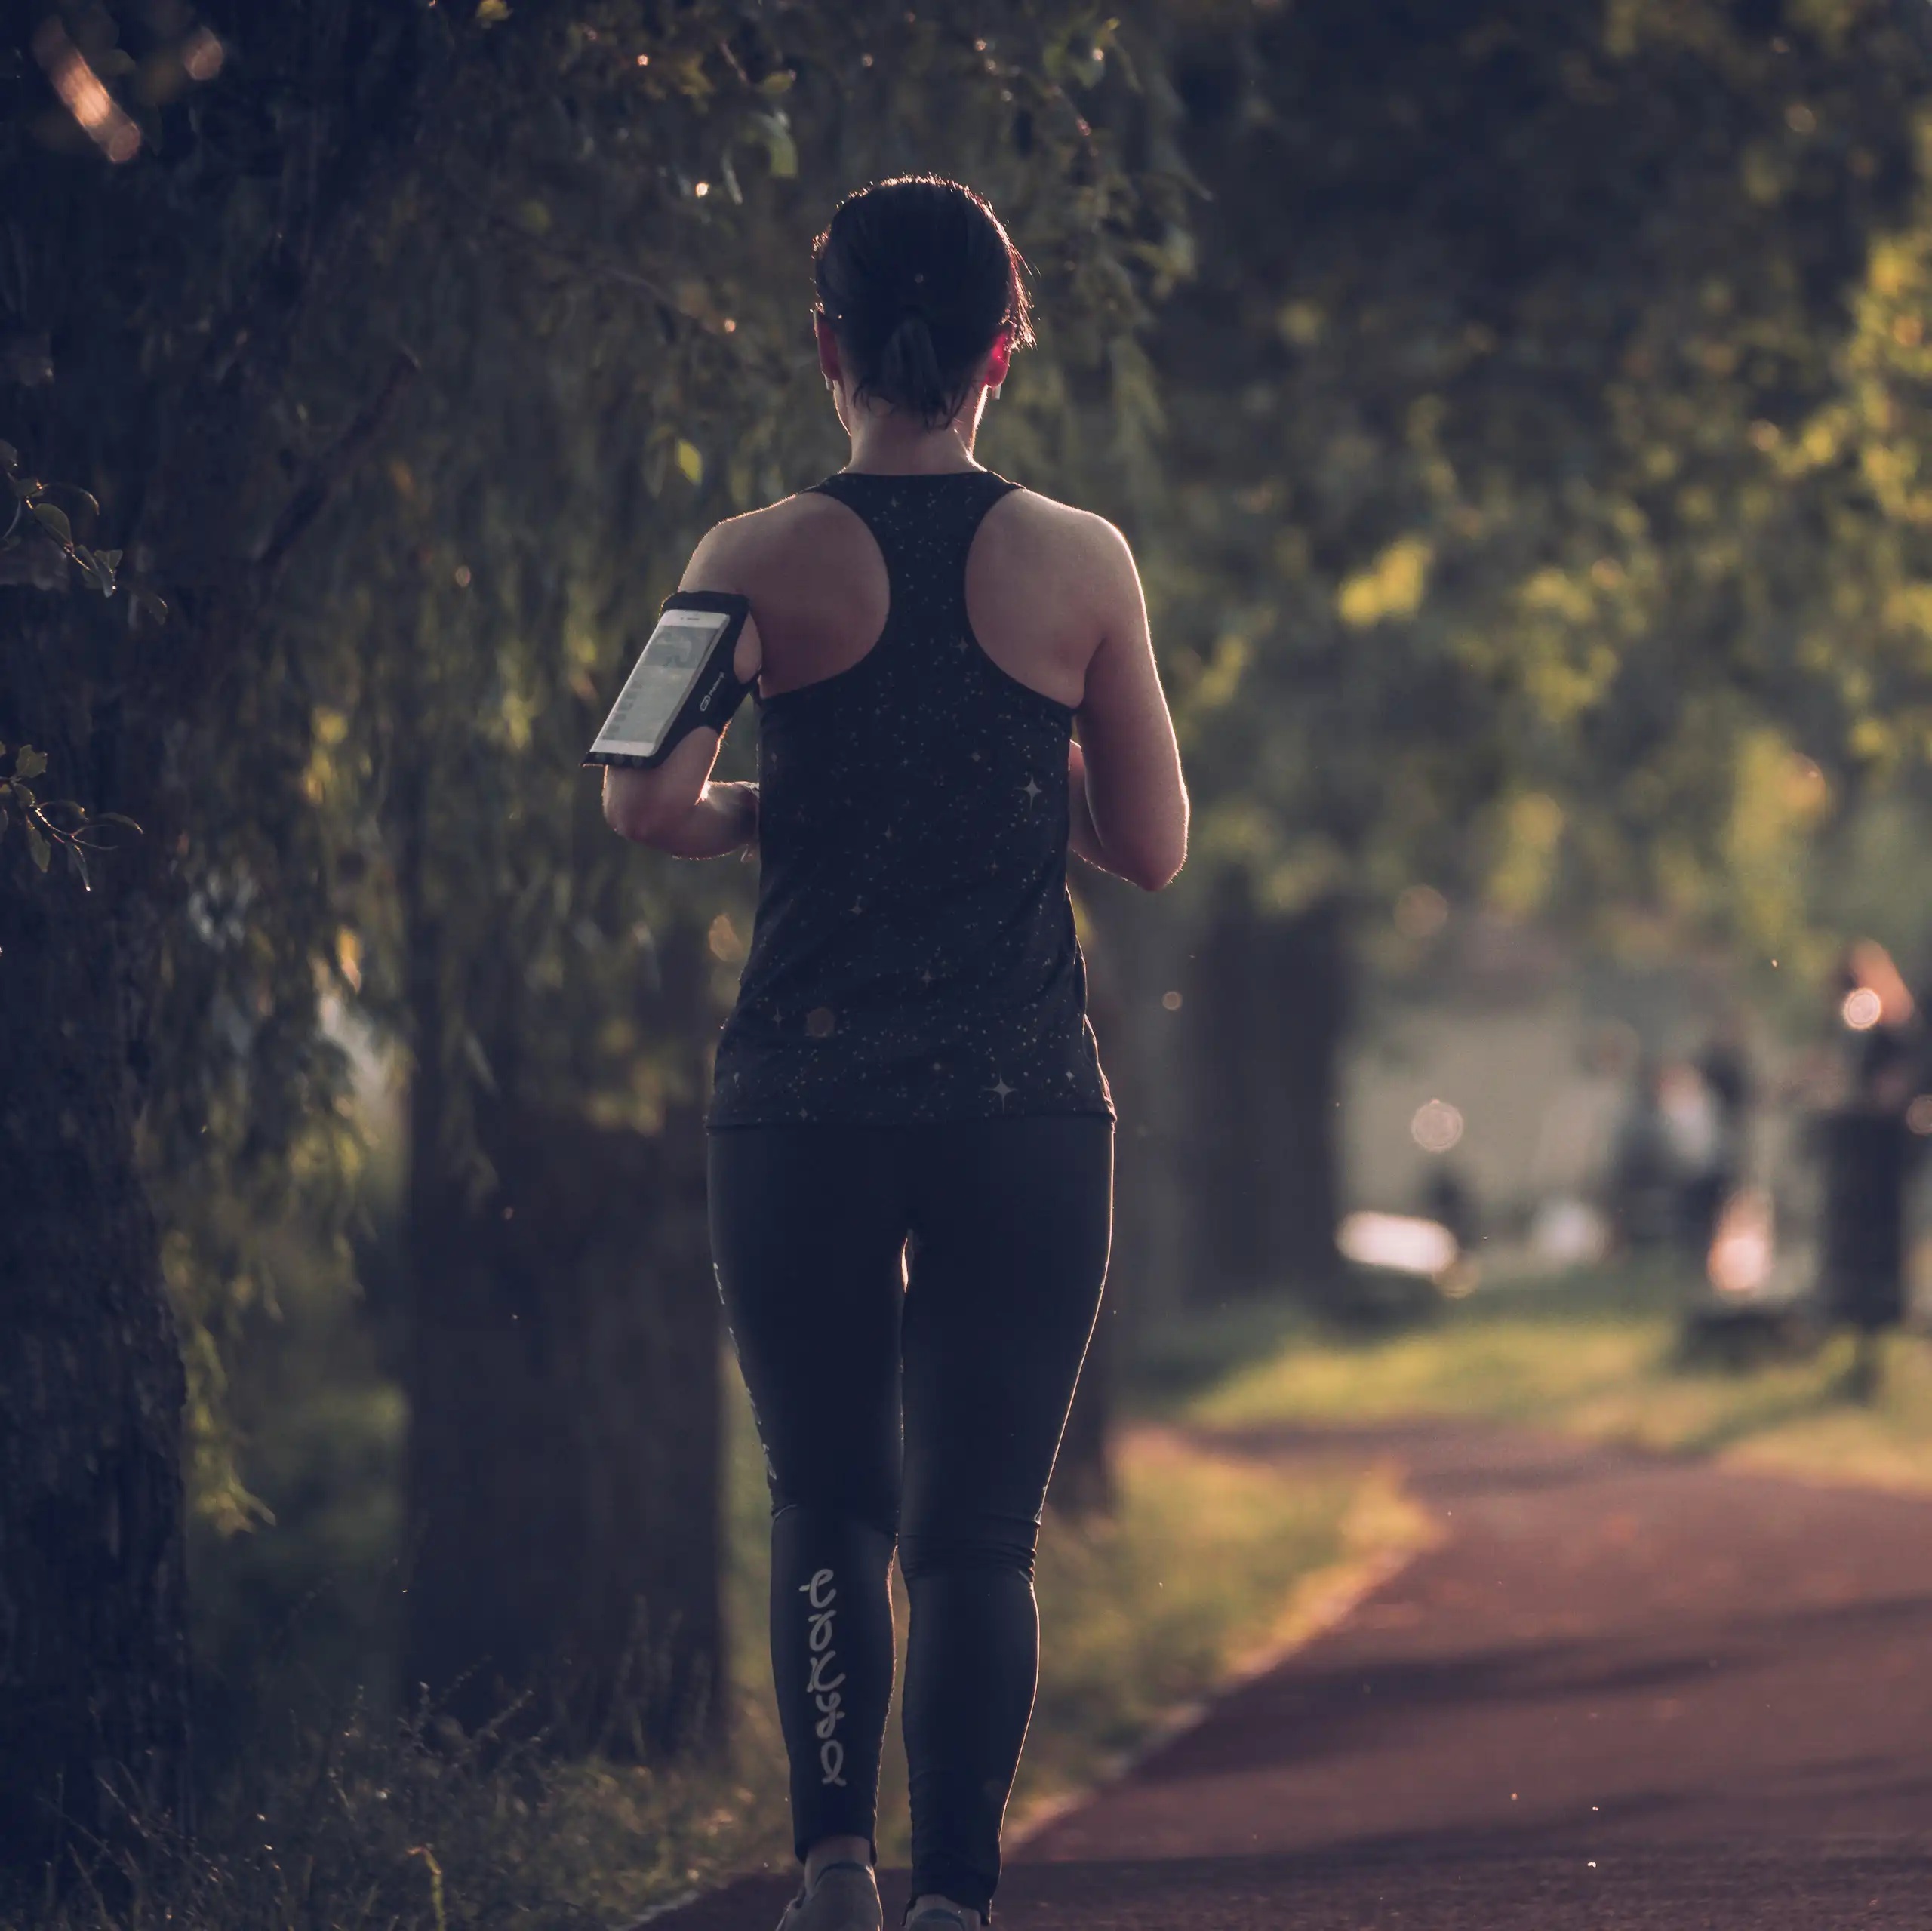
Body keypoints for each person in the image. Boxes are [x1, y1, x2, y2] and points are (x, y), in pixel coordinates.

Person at [602, 177, 1187, 1931]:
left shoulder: (743, 556)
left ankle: (832, 1870)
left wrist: (790, 806)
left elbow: (642, 798)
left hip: (800, 1099)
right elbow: (1149, 845)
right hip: (1019, 1101)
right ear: (1007, 343)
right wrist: (1013, 779)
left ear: (826, 343)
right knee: (974, 1538)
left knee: (827, 1499)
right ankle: (956, 1899)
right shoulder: (1080, 560)